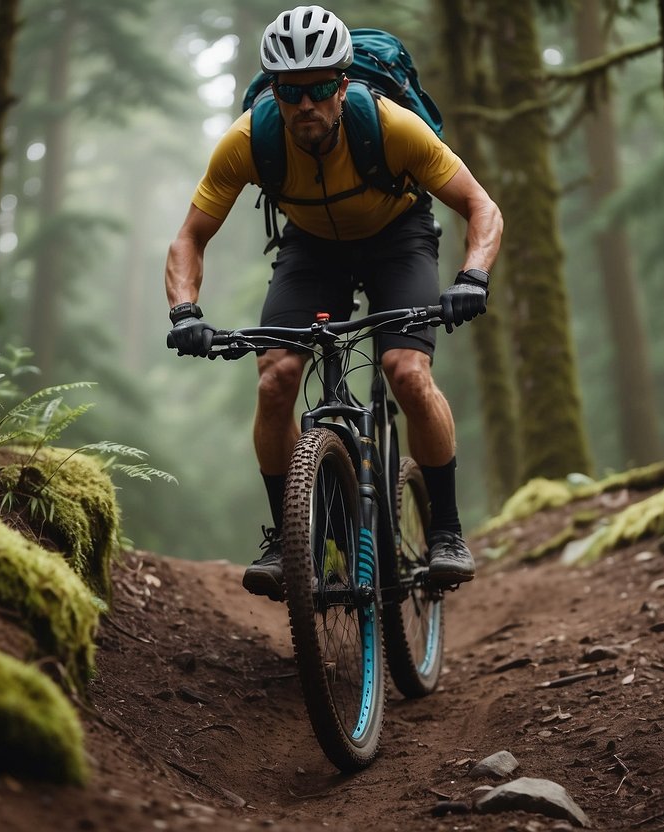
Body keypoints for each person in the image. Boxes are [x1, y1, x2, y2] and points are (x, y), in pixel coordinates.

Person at [165, 5, 502, 600]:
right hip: (312, 250)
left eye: (321, 88)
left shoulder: (393, 126)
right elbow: (189, 238)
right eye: (291, 92)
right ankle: (287, 537)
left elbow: (482, 206)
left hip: (399, 240)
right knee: (275, 379)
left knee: (406, 371)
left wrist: (472, 277)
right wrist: (185, 312)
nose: (306, 106)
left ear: (343, 85)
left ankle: (446, 531)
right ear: (274, 91)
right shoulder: (249, 139)